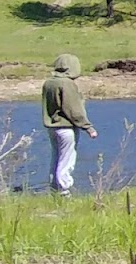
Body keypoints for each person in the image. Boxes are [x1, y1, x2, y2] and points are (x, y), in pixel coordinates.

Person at [39, 53, 96, 194]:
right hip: (65, 128)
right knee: (66, 160)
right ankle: (64, 191)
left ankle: (54, 188)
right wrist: (88, 127)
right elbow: (73, 109)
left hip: (52, 128)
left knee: (56, 158)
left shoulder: (49, 83)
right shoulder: (67, 84)